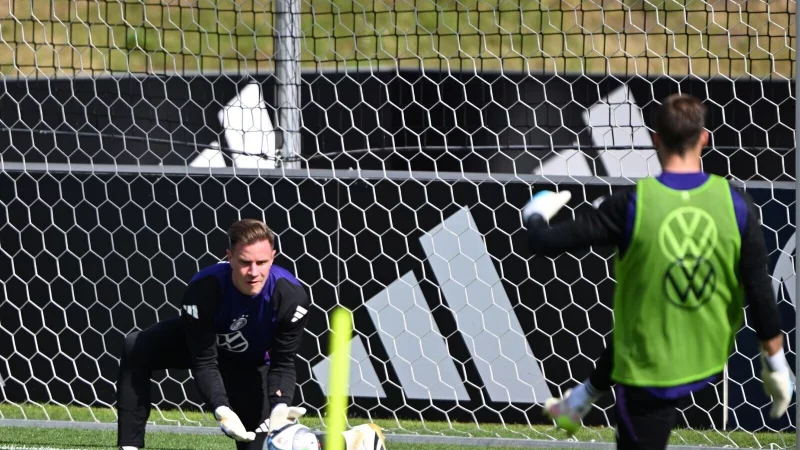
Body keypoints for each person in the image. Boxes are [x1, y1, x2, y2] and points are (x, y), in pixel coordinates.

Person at [520, 94, 793, 450]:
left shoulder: (631, 205)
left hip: (652, 371)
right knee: (644, 314)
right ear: (704, 138)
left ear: (655, 140)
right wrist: (775, 364)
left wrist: (536, 212)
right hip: (707, 356)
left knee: (642, 331)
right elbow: (759, 288)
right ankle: (578, 402)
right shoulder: (737, 203)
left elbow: (544, 243)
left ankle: (579, 403)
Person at [116, 218, 312, 450]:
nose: (253, 272)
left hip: (251, 366)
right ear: (229, 257)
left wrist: (280, 407)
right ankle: (129, 446)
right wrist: (222, 410)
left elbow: (283, 364)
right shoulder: (203, 289)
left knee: (257, 445)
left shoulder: (291, 298)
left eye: (262, 262)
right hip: (202, 349)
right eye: (244, 262)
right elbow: (205, 361)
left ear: (273, 257)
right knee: (136, 345)